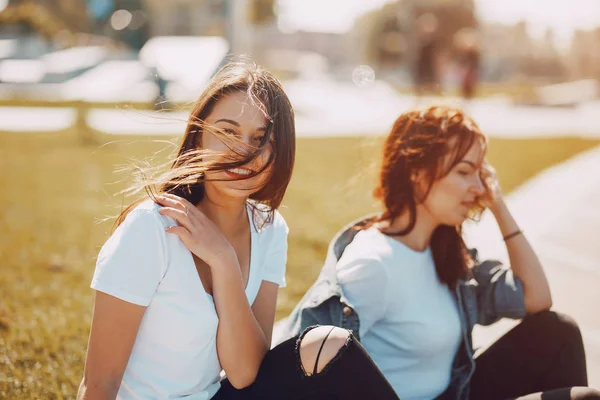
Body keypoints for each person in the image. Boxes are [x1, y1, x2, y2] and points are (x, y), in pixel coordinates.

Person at [77, 59, 400, 400]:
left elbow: (246, 373)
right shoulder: (151, 228)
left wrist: (224, 262)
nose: (244, 153)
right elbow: (100, 382)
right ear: (198, 135)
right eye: (227, 132)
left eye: (260, 139)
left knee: (328, 344)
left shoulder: (270, 228)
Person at [276, 106, 600, 400]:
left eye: (480, 173)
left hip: (456, 393)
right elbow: (298, 358)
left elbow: (535, 297)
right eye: (464, 172)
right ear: (417, 171)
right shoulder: (373, 264)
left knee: (558, 334)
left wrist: (499, 206)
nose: (478, 188)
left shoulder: (445, 255)